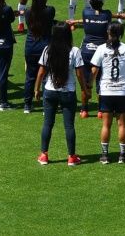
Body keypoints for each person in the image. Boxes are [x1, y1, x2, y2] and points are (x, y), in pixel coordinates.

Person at [35, 22, 90, 166]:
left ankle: (44, 155)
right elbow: (79, 74)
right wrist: (84, 89)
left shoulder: (48, 50)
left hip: (50, 91)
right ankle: (71, 157)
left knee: (47, 124)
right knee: (69, 126)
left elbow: (41, 72)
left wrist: (36, 89)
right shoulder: (74, 51)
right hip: (68, 93)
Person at [67, 0, 125, 118]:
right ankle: (101, 110)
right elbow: (107, 16)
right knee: (101, 81)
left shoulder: (85, 12)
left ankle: (84, 110)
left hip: (86, 51)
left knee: (85, 82)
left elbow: (89, 19)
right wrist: (120, 16)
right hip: (102, 52)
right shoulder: (107, 15)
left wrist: (75, 21)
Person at [91, 22, 125, 164]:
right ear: (121, 34)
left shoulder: (101, 49)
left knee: (106, 124)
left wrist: (88, 86)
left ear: (108, 33)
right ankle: (122, 155)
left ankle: (105, 155)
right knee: (122, 124)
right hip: (123, 91)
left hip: (107, 91)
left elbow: (94, 71)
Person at [24, 0, 56, 113]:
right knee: (46, 76)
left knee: (30, 76)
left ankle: (27, 105)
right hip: (45, 46)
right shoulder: (50, 10)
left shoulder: (27, 11)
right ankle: (45, 106)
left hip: (31, 46)